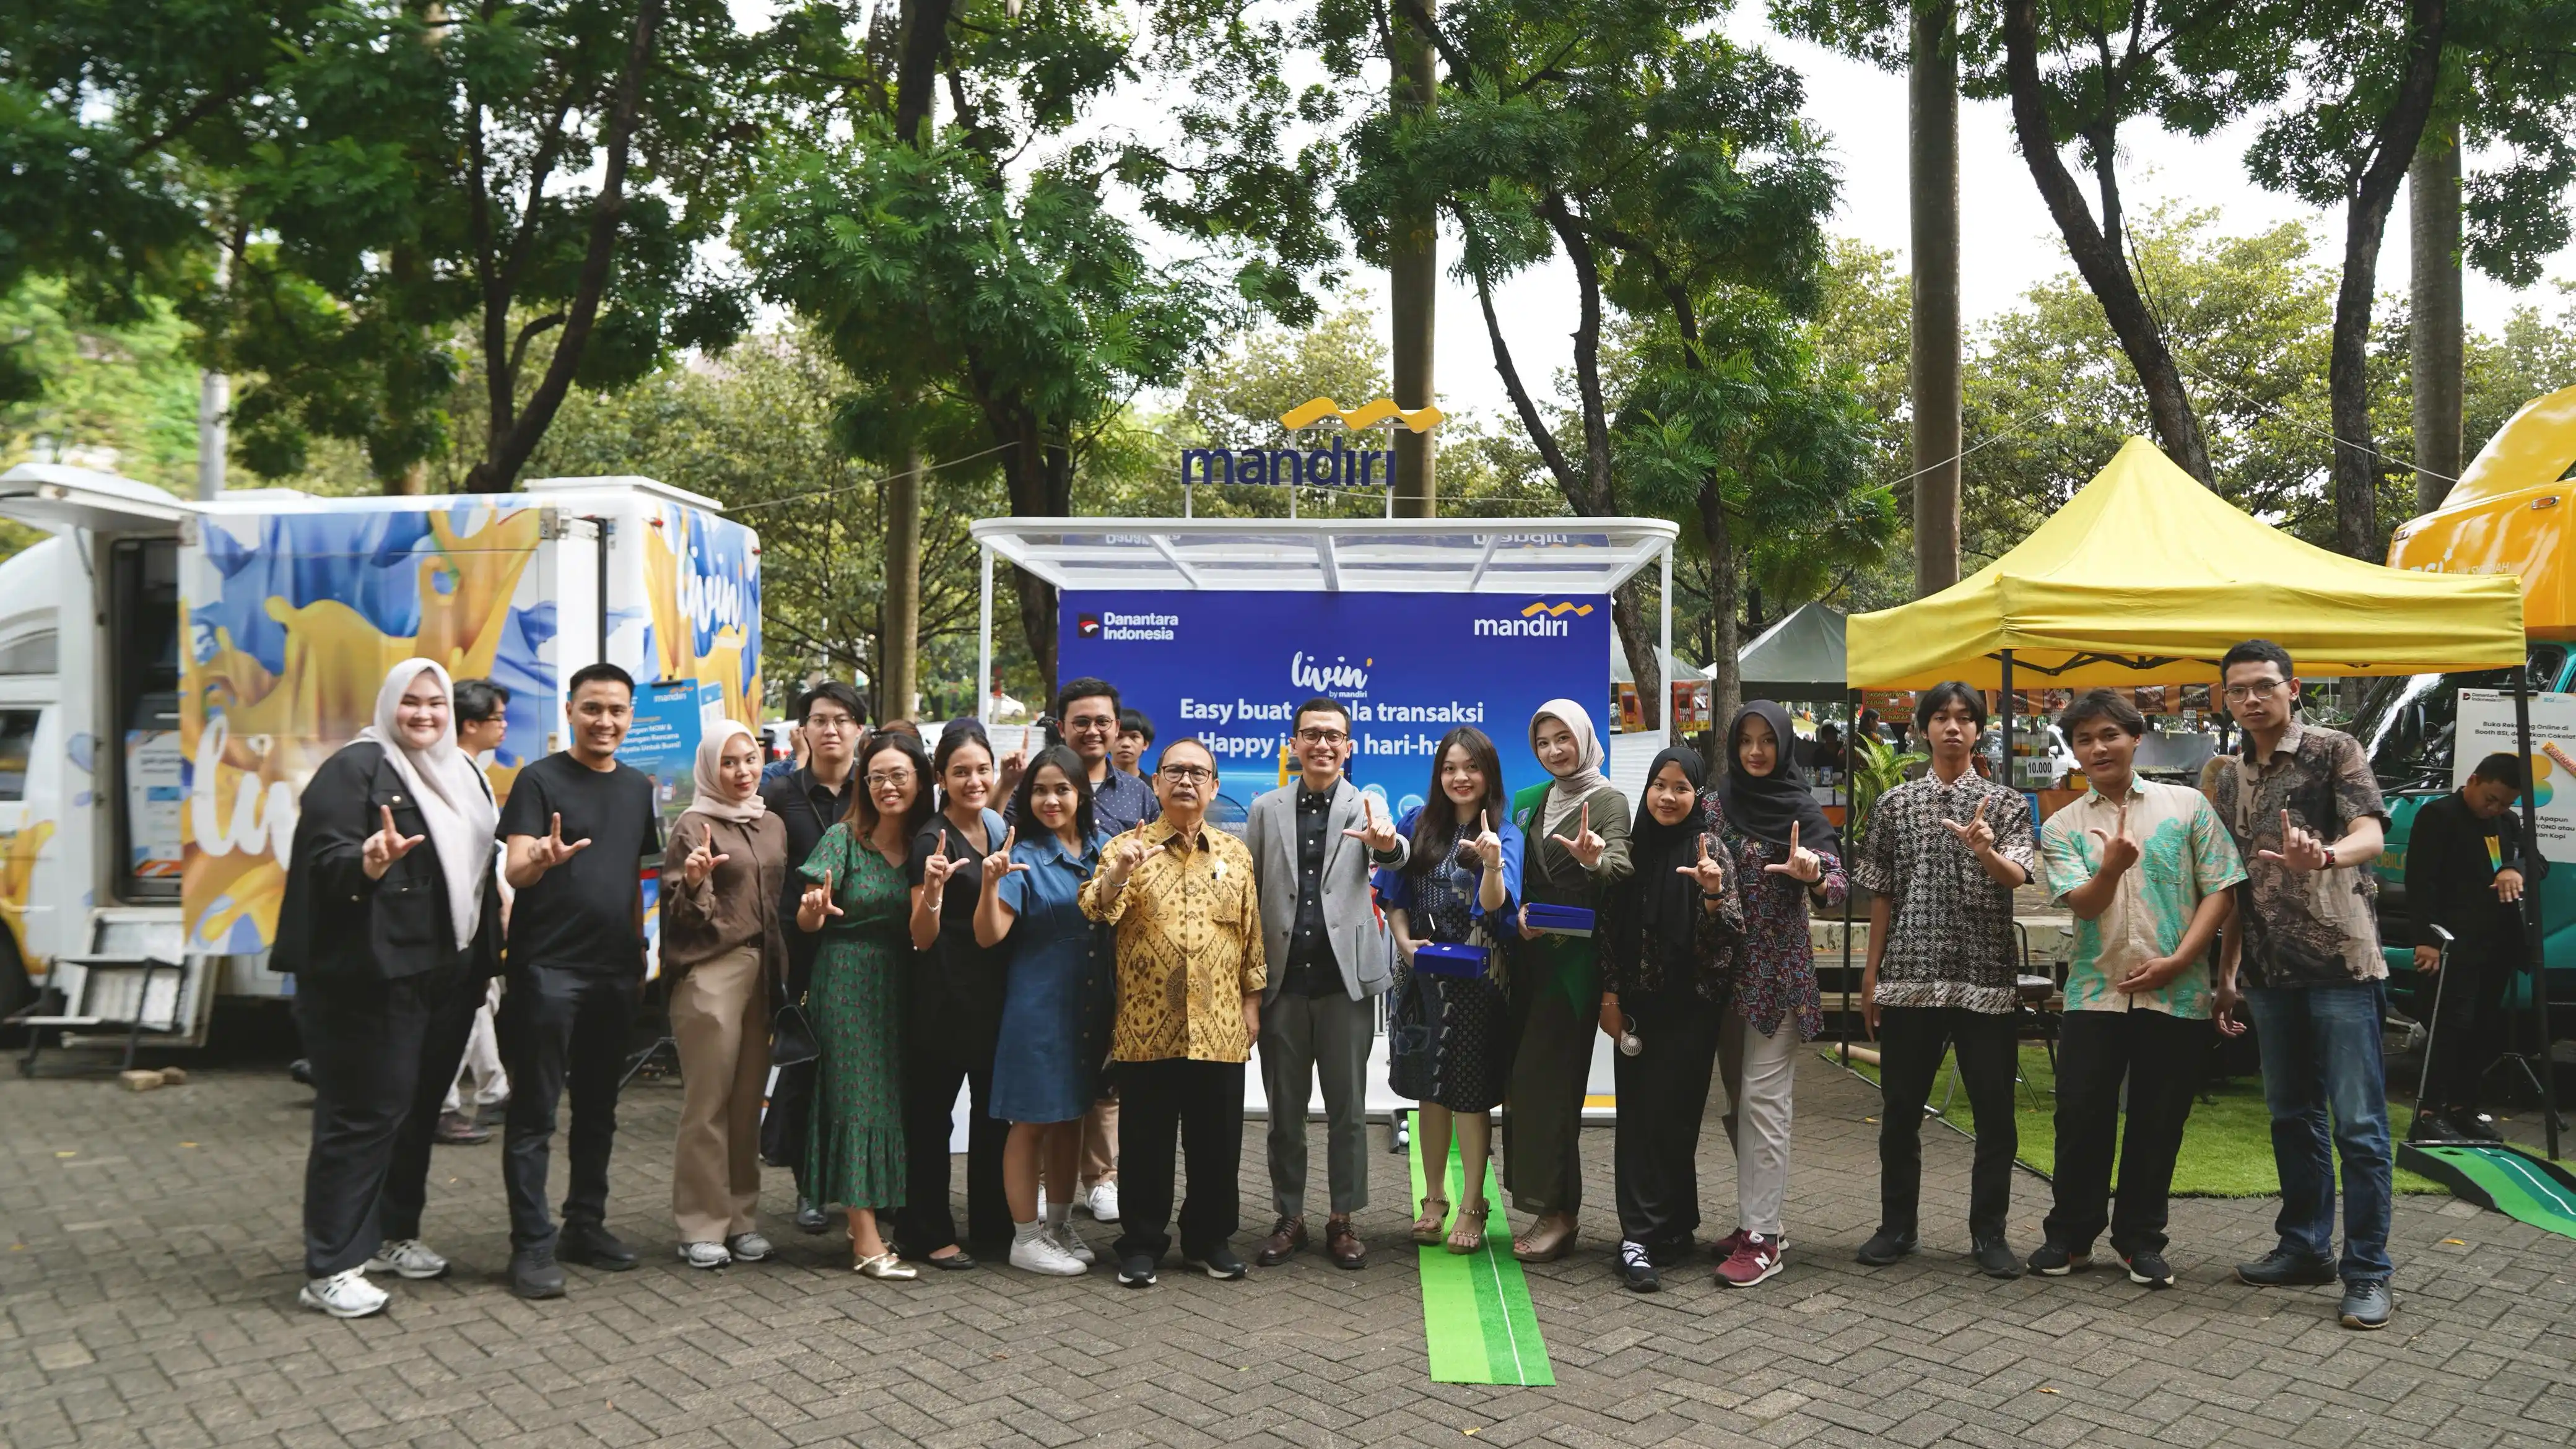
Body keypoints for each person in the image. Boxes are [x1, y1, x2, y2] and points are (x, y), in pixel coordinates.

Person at [274, 659, 503, 1317]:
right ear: (387, 706)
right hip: (372, 975)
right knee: (363, 1114)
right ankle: (330, 1266)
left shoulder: (461, 771)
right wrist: (366, 862)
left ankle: (392, 1236)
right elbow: (324, 861)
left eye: (435, 703)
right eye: (411, 702)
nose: (425, 714)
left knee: (416, 1110)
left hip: (450, 968)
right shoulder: (354, 769)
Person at [2206, 639, 2397, 1330]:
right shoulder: (2225, 775)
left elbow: (2369, 834)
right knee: (2290, 1115)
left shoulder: (2330, 748)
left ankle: (2367, 1271)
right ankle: (2304, 1247)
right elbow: (2233, 885)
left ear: (2290, 688)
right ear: (2224, 698)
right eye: (2237, 690)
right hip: (2266, 971)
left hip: (2341, 965)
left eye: (2262, 685)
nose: (2250, 699)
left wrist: (2325, 856)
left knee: (2359, 1126)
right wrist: (2226, 976)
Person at [2031, 689, 2243, 1289]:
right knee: (2079, 1118)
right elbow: (2084, 903)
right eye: (2083, 740)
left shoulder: (2187, 806)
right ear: (2072, 753)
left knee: (2158, 1120)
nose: (2097, 748)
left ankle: (2140, 1241)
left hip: (2175, 995)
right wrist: (2110, 868)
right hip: (2094, 994)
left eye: (2108, 735)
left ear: (2135, 736)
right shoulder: (2061, 825)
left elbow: (2221, 889)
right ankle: (2068, 1238)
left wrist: (2180, 962)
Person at [1854, 681, 2037, 1280]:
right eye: (1940, 718)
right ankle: (1895, 1226)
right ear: (1922, 728)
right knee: (1900, 1109)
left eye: (1964, 718)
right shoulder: (1895, 805)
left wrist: (1985, 849)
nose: (1952, 728)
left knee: (1994, 1115)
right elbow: (1881, 891)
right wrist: (1870, 974)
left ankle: (1988, 1234)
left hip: (1983, 978)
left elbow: (2015, 877)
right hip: (1908, 978)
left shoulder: (2005, 802)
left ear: (1978, 730)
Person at [495, 662, 663, 1300]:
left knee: (599, 1110)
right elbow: (515, 870)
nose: (605, 721)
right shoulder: (538, 780)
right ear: (570, 710)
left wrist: (643, 954)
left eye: (617, 710)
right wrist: (537, 856)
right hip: (547, 971)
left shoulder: (636, 788)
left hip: (615, 971)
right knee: (536, 1113)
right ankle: (530, 1247)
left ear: (630, 717)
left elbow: (641, 876)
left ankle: (583, 1225)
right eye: (593, 708)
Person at [1080, 736, 1264, 1288]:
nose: (1186, 781)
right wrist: (1121, 872)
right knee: (1146, 1143)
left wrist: (1253, 1003)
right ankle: (1140, 1244)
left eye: (1198, 772)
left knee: (1217, 1144)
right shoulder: (1126, 847)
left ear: (1214, 786)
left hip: (1221, 1025)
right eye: (1174, 771)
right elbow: (1094, 906)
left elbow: (1251, 938)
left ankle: (1210, 1240)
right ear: (1156, 783)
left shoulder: (1236, 855)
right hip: (1146, 1026)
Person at [1248, 697, 1408, 1271]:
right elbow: (1250, 897)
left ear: (1349, 747)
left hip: (1346, 985)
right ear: (1293, 743)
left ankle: (1343, 1218)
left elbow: (1398, 854)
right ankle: (1288, 1216)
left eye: (1333, 736)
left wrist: (1387, 842)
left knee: (1348, 1109)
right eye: (1311, 734)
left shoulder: (1369, 805)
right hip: (1282, 984)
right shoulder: (1265, 809)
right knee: (1284, 1112)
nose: (1321, 744)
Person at [1703, 701, 1845, 1289]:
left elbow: (1836, 884)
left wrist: (1813, 873)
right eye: (1747, 741)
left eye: (1768, 741)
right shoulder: (1715, 803)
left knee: (1766, 1101)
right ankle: (1760, 1219)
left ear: (1785, 747)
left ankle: (1762, 1237)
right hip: (1719, 971)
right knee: (1740, 1103)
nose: (1757, 752)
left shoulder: (1801, 810)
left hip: (1776, 974)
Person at [1599, 746, 1745, 1292]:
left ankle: (1675, 1227)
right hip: (1639, 1007)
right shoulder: (1631, 851)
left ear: (1699, 795)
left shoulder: (1714, 850)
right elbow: (1609, 933)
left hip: (1694, 1008)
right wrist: (1610, 999)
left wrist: (1712, 896)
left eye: (1682, 787)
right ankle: (1636, 1236)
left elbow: (1731, 934)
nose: (1668, 796)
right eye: (1660, 784)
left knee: (1679, 1121)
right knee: (1639, 1121)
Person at [1012, 679, 1155, 1226]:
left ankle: (1102, 1178)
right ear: (1063, 725)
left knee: (1104, 1079)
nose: (1093, 731)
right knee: (1055, 1087)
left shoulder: (1137, 793)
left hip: (1116, 957)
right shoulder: (1039, 785)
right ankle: (1048, 1195)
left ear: (1118, 728)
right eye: (1081, 722)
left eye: (1103, 722)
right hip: (1049, 961)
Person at [794, 731, 930, 1280]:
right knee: (857, 1102)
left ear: (920, 782)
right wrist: (813, 909)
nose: (887, 786)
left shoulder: (926, 842)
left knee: (890, 1103)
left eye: (898, 775)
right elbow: (808, 920)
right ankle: (866, 1242)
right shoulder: (841, 838)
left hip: (903, 984)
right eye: (876, 777)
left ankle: (864, 1221)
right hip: (847, 979)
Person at [975, 745, 1115, 1275]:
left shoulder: (1107, 851)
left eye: (1062, 789)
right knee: (1031, 1123)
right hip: (1039, 1010)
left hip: (1091, 1008)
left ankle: (1058, 1226)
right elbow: (990, 936)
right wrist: (990, 883)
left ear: (1081, 794)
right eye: (1040, 790)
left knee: (1071, 1120)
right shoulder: (1022, 856)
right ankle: (1025, 1237)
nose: (1051, 800)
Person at [1381, 727, 1520, 1256]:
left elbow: (1495, 906)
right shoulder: (1417, 825)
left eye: (1471, 768)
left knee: (1469, 1093)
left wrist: (1490, 863)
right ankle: (1433, 1197)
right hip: (1420, 980)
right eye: (1449, 768)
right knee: (1428, 1089)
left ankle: (1472, 1203)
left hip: (1479, 982)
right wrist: (1403, 943)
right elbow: (1393, 894)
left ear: (1489, 775)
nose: (1460, 778)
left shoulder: (1504, 833)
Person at [659, 720, 791, 1269]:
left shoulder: (771, 823)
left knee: (746, 1104)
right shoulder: (694, 824)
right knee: (707, 1103)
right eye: (730, 763)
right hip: (712, 970)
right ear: (711, 768)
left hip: (765, 973)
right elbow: (682, 917)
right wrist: (692, 883)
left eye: (750, 759)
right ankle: (700, 1224)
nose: (742, 772)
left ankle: (741, 1219)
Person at [1505, 699, 1632, 1263]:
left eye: (1564, 738)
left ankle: (1562, 1214)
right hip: (1525, 966)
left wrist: (1592, 860)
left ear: (1584, 737)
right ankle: (1542, 1204)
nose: (1555, 750)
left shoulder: (1608, 801)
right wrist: (1517, 915)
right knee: (1524, 1094)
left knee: (1555, 1096)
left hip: (1574, 972)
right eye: (1543, 742)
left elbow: (1622, 870)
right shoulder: (1529, 802)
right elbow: (1514, 875)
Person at [897, 723, 1014, 1268]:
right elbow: (921, 937)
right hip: (941, 1001)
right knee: (931, 1120)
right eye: (961, 771)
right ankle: (927, 1231)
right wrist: (937, 890)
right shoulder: (932, 838)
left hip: (992, 1000)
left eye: (982, 770)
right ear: (940, 777)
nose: (974, 780)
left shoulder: (996, 825)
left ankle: (991, 1225)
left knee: (993, 1121)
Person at [760, 681, 866, 1234]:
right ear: (804, 730)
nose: (831, 729)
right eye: (820, 720)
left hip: (863, 948)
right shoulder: (778, 793)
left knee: (857, 1074)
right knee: (805, 1067)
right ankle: (809, 1188)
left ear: (859, 731)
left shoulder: (872, 791)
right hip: (797, 946)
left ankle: (861, 1189)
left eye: (842, 719)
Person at [2406, 752, 2530, 1142]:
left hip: (2495, 943)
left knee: (2482, 1029)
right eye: (2490, 798)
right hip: (2451, 941)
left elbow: (2535, 859)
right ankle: (2430, 1110)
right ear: (2474, 781)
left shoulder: (2507, 823)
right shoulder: (2439, 816)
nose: (2494, 808)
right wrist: (2425, 939)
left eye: (2505, 803)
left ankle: (2463, 1108)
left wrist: (2515, 869)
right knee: (2450, 1027)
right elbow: (2420, 881)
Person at [437, 676, 513, 1146]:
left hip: (478, 911)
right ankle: (440, 1102)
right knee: (468, 1005)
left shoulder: (471, 770)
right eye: (497, 718)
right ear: (470, 725)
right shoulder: (455, 774)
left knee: (483, 1000)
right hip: (464, 917)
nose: (504, 727)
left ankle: (494, 1088)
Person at [1115, 707, 1155, 780]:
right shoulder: (1091, 783)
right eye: (1119, 736)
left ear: (1145, 744)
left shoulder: (1154, 788)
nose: (1126, 744)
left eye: (1134, 737)